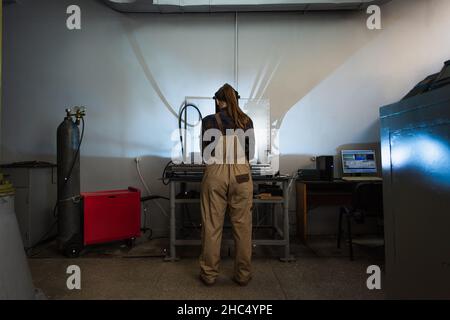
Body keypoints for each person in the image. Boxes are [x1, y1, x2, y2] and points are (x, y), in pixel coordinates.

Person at [199, 83, 255, 286]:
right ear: (236, 100)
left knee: (212, 226)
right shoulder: (247, 121)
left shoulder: (208, 121)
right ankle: (243, 275)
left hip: (216, 174)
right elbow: (251, 153)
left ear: (217, 100)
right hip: (241, 175)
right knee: (242, 227)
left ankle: (209, 275)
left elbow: (205, 153)